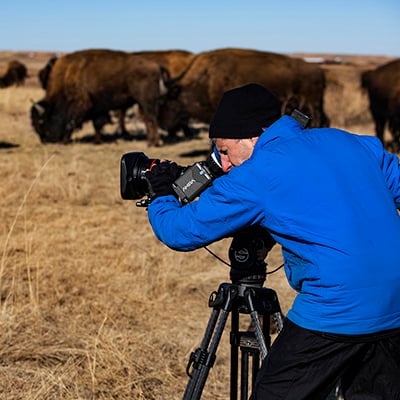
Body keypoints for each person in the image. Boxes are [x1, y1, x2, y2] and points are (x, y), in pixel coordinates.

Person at [144, 83, 400, 399]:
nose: (223, 164)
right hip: (395, 302)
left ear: (252, 137)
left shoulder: (257, 174)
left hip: (336, 308)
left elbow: (179, 231)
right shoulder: (348, 142)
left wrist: (160, 194)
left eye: (223, 150)